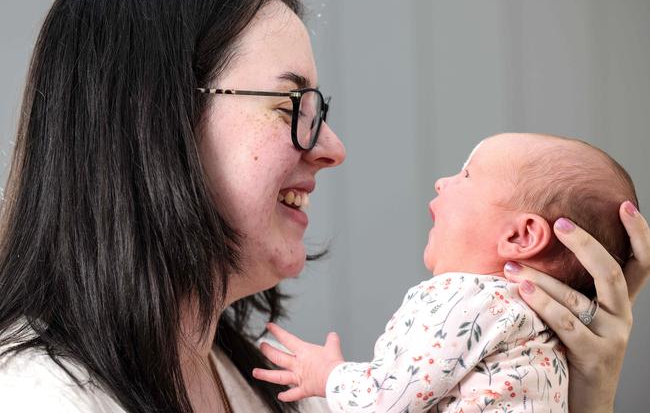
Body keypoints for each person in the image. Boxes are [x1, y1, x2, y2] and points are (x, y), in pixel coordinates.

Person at [0, 0, 647, 413]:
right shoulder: (35, 396)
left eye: (321, 113)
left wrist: (580, 399)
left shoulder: (261, 386)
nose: (333, 149)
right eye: (291, 107)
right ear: (152, 119)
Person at [253, 133, 638, 412]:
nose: (443, 182)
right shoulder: (549, 329)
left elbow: (385, 402)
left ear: (521, 235)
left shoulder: (462, 298)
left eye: (466, 175)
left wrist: (328, 375)